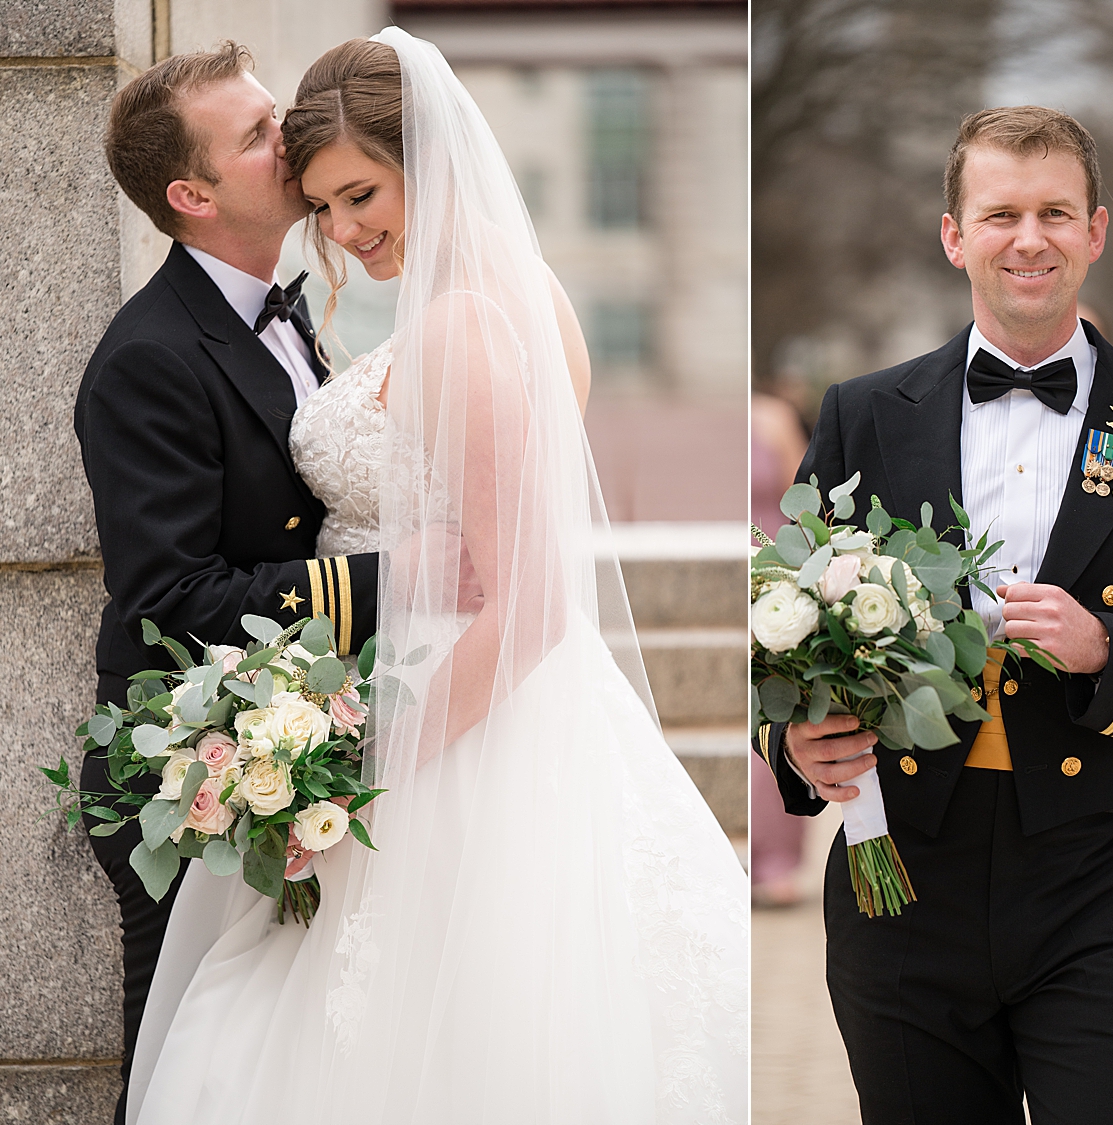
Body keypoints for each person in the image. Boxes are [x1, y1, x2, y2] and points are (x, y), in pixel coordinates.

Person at [124, 30, 748, 1124]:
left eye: (362, 193)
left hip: (442, 725)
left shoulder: (462, 328)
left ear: (433, 162)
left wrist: (362, 768)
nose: (346, 230)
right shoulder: (506, 297)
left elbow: (534, 599)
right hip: (448, 698)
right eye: (324, 205)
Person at [756, 105, 1113, 1124]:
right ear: (954, 234)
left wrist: (1108, 652)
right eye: (999, 214)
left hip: (1096, 880)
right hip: (901, 881)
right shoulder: (863, 412)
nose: (1027, 239)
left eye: (1053, 213)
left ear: (1093, 230)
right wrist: (792, 746)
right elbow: (780, 626)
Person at [75, 43, 392, 1122]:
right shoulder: (149, 358)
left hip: (284, 745)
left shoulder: (280, 309)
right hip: (182, 777)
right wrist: (397, 581)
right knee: (180, 1069)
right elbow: (171, 596)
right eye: (261, 133)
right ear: (191, 195)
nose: (294, 136)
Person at [751, 389, 811, 906]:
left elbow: (806, 495)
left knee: (774, 706)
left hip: (773, 573)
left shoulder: (772, 417)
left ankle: (776, 859)